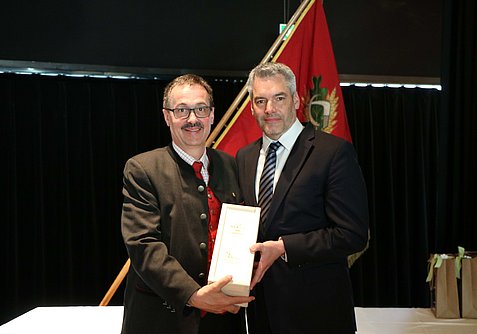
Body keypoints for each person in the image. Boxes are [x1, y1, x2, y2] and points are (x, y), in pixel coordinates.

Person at [236, 62, 369, 334]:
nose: (269, 109)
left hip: (318, 314)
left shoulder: (333, 153)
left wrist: (285, 247)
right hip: (261, 314)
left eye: (279, 98)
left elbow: (352, 234)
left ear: (296, 100)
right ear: (251, 107)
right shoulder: (244, 157)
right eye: (260, 100)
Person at [121, 74, 254, 334]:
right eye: (182, 110)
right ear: (167, 116)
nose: (192, 119)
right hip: (163, 319)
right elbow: (142, 245)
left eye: (200, 109)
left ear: (212, 114)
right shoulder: (142, 169)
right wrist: (193, 294)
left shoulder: (232, 165)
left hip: (224, 317)